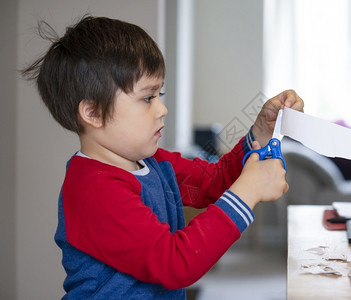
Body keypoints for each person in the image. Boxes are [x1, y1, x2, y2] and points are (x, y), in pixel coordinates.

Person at [21, 15, 304, 299]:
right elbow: (175, 263)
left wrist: (261, 133)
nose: (162, 109)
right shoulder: (93, 188)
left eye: (160, 94)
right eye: (147, 98)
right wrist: (246, 193)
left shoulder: (155, 164)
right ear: (92, 112)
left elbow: (213, 180)